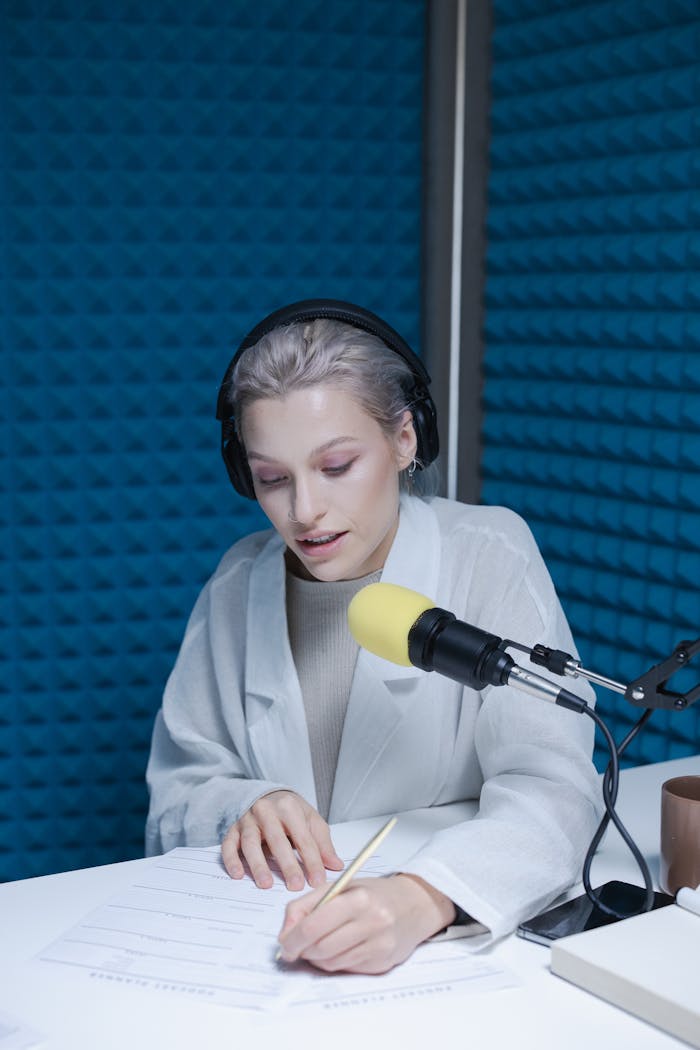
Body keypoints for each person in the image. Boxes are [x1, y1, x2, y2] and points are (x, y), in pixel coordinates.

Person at [145, 299, 600, 975]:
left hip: (441, 961)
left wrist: (424, 898)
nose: (303, 512)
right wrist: (246, 804)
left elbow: (556, 788)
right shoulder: (238, 584)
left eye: (336, 467)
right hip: (260, 953)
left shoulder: (488, 553)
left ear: (405, 439)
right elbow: (175, 797)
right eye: (272, 479)